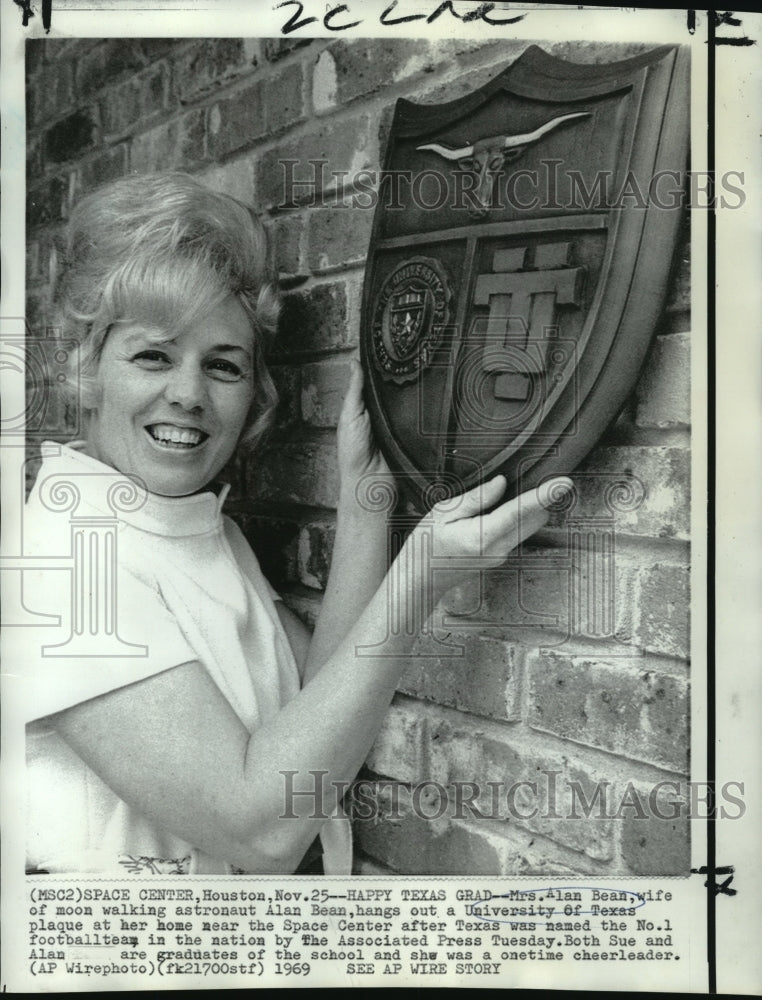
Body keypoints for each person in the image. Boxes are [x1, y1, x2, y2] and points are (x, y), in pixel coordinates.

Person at [23, 171, 571, 876]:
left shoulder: (183, 524)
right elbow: (257, 826)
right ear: (85, 369)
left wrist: (367, 494)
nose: (188, 394)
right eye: (153, 355)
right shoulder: (70, 559)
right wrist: (417, 583)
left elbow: (318, 703)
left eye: (223, 366)